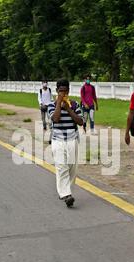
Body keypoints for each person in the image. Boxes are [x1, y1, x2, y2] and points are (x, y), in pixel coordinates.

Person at [48, 79, 84, 208]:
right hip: (58, 140)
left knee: (72, 168)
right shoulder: (52, 105)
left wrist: (68, 109)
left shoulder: (74, 105)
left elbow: (80, 122)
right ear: (57, 91)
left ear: (69, 91)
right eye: (61, 91)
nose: (63, 93)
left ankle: (67, 191)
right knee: (61, 166)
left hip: (72, 139)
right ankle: (66, 194)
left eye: (65, 91)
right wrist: (59, 103)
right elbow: (55, 119)